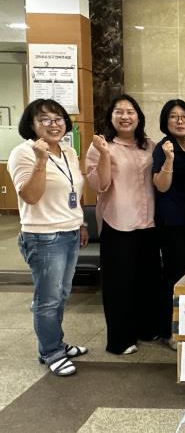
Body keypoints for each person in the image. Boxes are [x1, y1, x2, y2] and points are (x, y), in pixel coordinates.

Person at [8, 99, 89, 376]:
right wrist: (41, 161)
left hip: (69, 231)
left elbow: (72, 192)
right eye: (44, 119)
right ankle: (51, 352)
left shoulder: (68, 151)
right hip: (43, 237)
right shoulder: (23, 153)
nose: (53, 124)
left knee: (61, 294)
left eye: (58, 119)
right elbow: (30, 196)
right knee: (47, 299)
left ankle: (55, 342)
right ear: (31, 125)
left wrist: (80, 223)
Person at [86, 94, 161, 355]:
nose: (125, 116)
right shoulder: (100, 146)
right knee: (119, 283)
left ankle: (146, 328)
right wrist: (104, 155)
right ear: (111, 117)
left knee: (147, 280)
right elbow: (100, 184)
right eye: (119, 112)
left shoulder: (150, 145)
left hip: (148, 223)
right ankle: (120, 339)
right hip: (118, 222)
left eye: (130, 112)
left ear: (139, 117)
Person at [152, 99, 185, 349]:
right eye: (173, 116)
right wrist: (169, 160)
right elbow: (161, 186)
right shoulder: (163, 147)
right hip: (172, 220)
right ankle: (169, 330)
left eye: (184, 116)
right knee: (174, 275)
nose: (180, 121)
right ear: (165, 121)